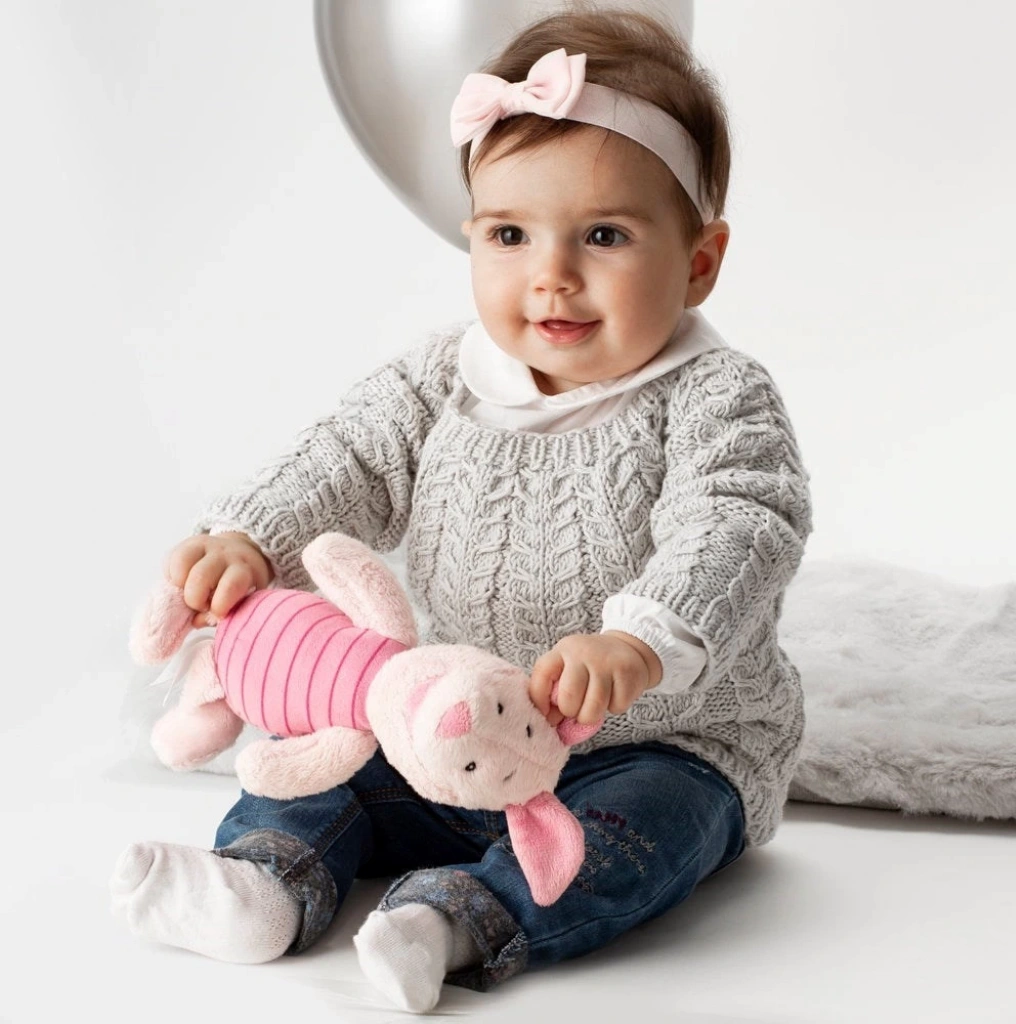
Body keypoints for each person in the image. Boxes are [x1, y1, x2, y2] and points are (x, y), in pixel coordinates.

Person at [111, 6, 812, 1014]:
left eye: (604, 235)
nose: (551, 275)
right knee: (320, 759)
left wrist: (641, 639)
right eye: (510, 234)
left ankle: (458, 919)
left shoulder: (716, 395)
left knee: (646, 826)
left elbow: (740, 521)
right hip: (451, 733)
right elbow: (348, 459)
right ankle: (267, 881)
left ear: (699, 260)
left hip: (657, 739)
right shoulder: (443, 378)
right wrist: (250, 538)